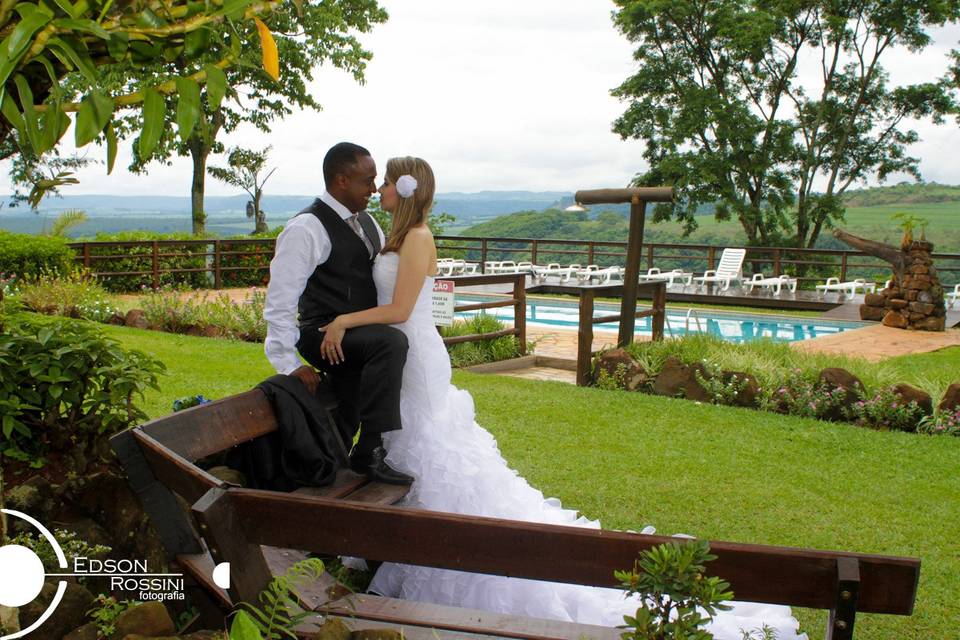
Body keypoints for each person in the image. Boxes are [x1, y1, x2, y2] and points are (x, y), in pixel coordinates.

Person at [317, 156, 805, 639]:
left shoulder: (418, 238)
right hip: (405, 356)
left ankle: (450, 550)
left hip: (416, 356)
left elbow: (400, 309)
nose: (378, 189)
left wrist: (343, 321)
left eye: (385, 184)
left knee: (429, 446)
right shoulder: (395, 237)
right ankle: (400, 541)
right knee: (409, 444)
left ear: (404, 191)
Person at [263, 142, 412, 485]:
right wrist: (288, 363)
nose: (374, 190)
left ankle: (325, 468)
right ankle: (370, 452)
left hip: (358, 334)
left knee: (346, 414)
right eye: (367, 181)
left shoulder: (369, 222)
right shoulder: (305, 228)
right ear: (342, 180)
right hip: (322, 334)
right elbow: (280, 301)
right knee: (391, 343)